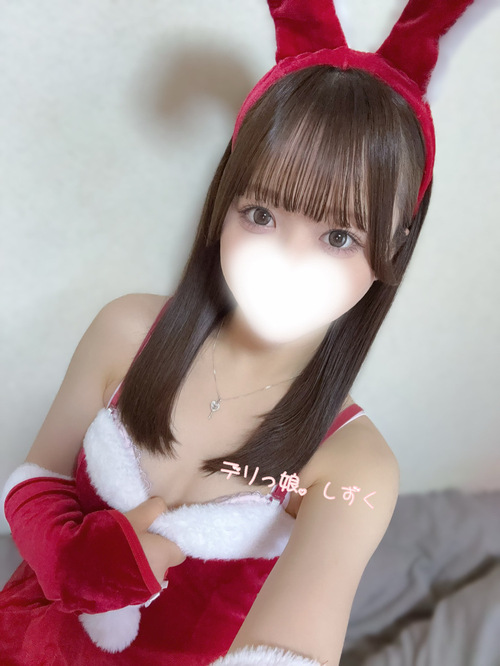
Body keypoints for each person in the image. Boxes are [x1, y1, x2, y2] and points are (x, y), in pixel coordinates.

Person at [0, 0, 479, 664]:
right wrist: (79, 564)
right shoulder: (126, 329)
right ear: (224, 203)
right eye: (260, 214)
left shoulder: (353, 468)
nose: (285, 261)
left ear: (393, 247)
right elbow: (34, 485)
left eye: (338, 236)